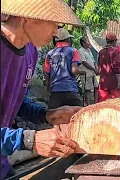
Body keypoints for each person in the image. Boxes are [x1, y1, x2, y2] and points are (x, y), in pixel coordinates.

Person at [1, 0, 83, 179]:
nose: (56, 31)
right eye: (54, 23)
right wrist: (29, 139)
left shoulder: (31, 52)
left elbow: (16, 102)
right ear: (29, 18)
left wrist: (45, 114)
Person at [43, 28, 86, 109]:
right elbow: (74, 70)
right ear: (67, 39)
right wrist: (83, 72)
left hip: (55, 90)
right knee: (79, 115)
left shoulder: (50, 53)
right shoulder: (73, 51)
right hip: (70, 89)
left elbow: (46, 72)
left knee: (53, 117)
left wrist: (49, 86)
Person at [97, 32, 120, 102]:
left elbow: (99, 67)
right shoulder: (116, 51)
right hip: (114, 82)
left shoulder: (101, 52)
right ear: (114, 41)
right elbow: (116, 66)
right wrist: (119, 82)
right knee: (116, 104)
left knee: (102, 105)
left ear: (106, 40)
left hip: (103, 83)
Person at [78, 37, 99, 105]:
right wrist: (94, 69)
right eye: (87, 41)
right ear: (83, 43)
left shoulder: (89, 50)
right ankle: (88, 104)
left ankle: (95, 103)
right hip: (86, 73)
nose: (89, 43)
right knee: (88, 89)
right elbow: (84, 62)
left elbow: (93, 60)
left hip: (92, 73)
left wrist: (96, 68)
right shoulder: (80, 51)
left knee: (96, 87)